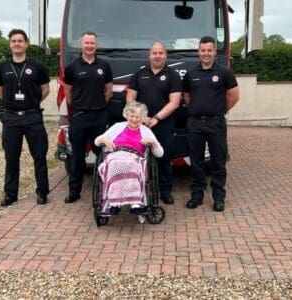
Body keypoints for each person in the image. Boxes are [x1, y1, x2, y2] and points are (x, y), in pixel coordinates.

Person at [0, 29, 50, 206]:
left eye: (20, 41)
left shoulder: (37, 67)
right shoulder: (1, 68)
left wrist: (31, 103)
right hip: (11, 119)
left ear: (26, 44)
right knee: (11, 157)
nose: (17, 44)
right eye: (14, 41)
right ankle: (10, 194)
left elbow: (45, 89)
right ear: (10, 44)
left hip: (32, 116)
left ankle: (42, 192)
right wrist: (13, 105)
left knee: (39, 156)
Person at [183, 36, 239, 212]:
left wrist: (220, 110)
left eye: (209, 50)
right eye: (203, 50)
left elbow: (234, 96)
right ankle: (197, 195)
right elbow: (186, 97)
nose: (206, 53)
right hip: (195, 124)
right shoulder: (191, 74)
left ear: (214, 51)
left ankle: (219, 197)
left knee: (218, 162)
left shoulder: (224, 72)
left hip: (216, 124)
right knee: (196, 162)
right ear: (199, 52)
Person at [126, 42, 181, 205]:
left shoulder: (173, 75)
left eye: (161, 53)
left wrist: (156, 117)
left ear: (166, 56)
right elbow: (130, 99)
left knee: (164, 157)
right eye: (154, 53)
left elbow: (175, 102)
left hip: (163, 124)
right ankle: (139, 191)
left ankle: (165, 192)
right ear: (149, 55)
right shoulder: (139, 74)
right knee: (139, 158)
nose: (157, 56)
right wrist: (142, 117)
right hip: (140, 124)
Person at [63, 31, 113, 203]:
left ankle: (103, 190)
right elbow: (68, 92)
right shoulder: (72, 67)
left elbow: (108, 91)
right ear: (81, 45)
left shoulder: (104, 66)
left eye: (92, 43)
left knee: (102, 155)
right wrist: (80, 106)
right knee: (77, 157)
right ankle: (74, 192)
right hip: (80, 116)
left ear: (96, 45)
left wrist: (98, 105)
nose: (89, 46)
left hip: (99, 117)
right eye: (86, 43)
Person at [94, 102, 163, 223]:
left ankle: (135, 204)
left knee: (131, 164)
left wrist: (153, 143)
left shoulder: (146, 131)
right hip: (115, 155)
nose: (134, 119)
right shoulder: (118, 126)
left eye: (137, 117)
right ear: (127, 115)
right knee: (115, 164)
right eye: (131, 116)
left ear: (142, 118)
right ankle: (114, 203)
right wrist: (104, 140)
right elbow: (97, 141)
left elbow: (160, 153)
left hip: (135, 157)